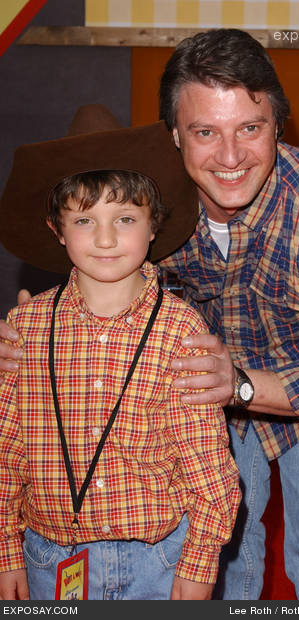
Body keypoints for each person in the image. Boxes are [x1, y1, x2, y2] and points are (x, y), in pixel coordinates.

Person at [0, 28, 299, 600]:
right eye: (205, 132)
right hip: (197, 382)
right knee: (228, 554)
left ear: (279, 125)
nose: (229, 158)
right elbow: (95, 248)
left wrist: (245, 386)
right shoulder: (145, 195)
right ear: (174, 135)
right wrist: (33, 326)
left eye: (249, 129)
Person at [0, 105, 240, 601]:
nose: (106, 238)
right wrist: (5, 549)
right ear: (57, 229)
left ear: (154, 226)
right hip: (49, 559)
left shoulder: (180, 329)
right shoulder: (25, 327)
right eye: (85, 220)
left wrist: (199, 562)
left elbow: (205, 461)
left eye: (125, 218)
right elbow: (6, 451)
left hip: (156, 559)